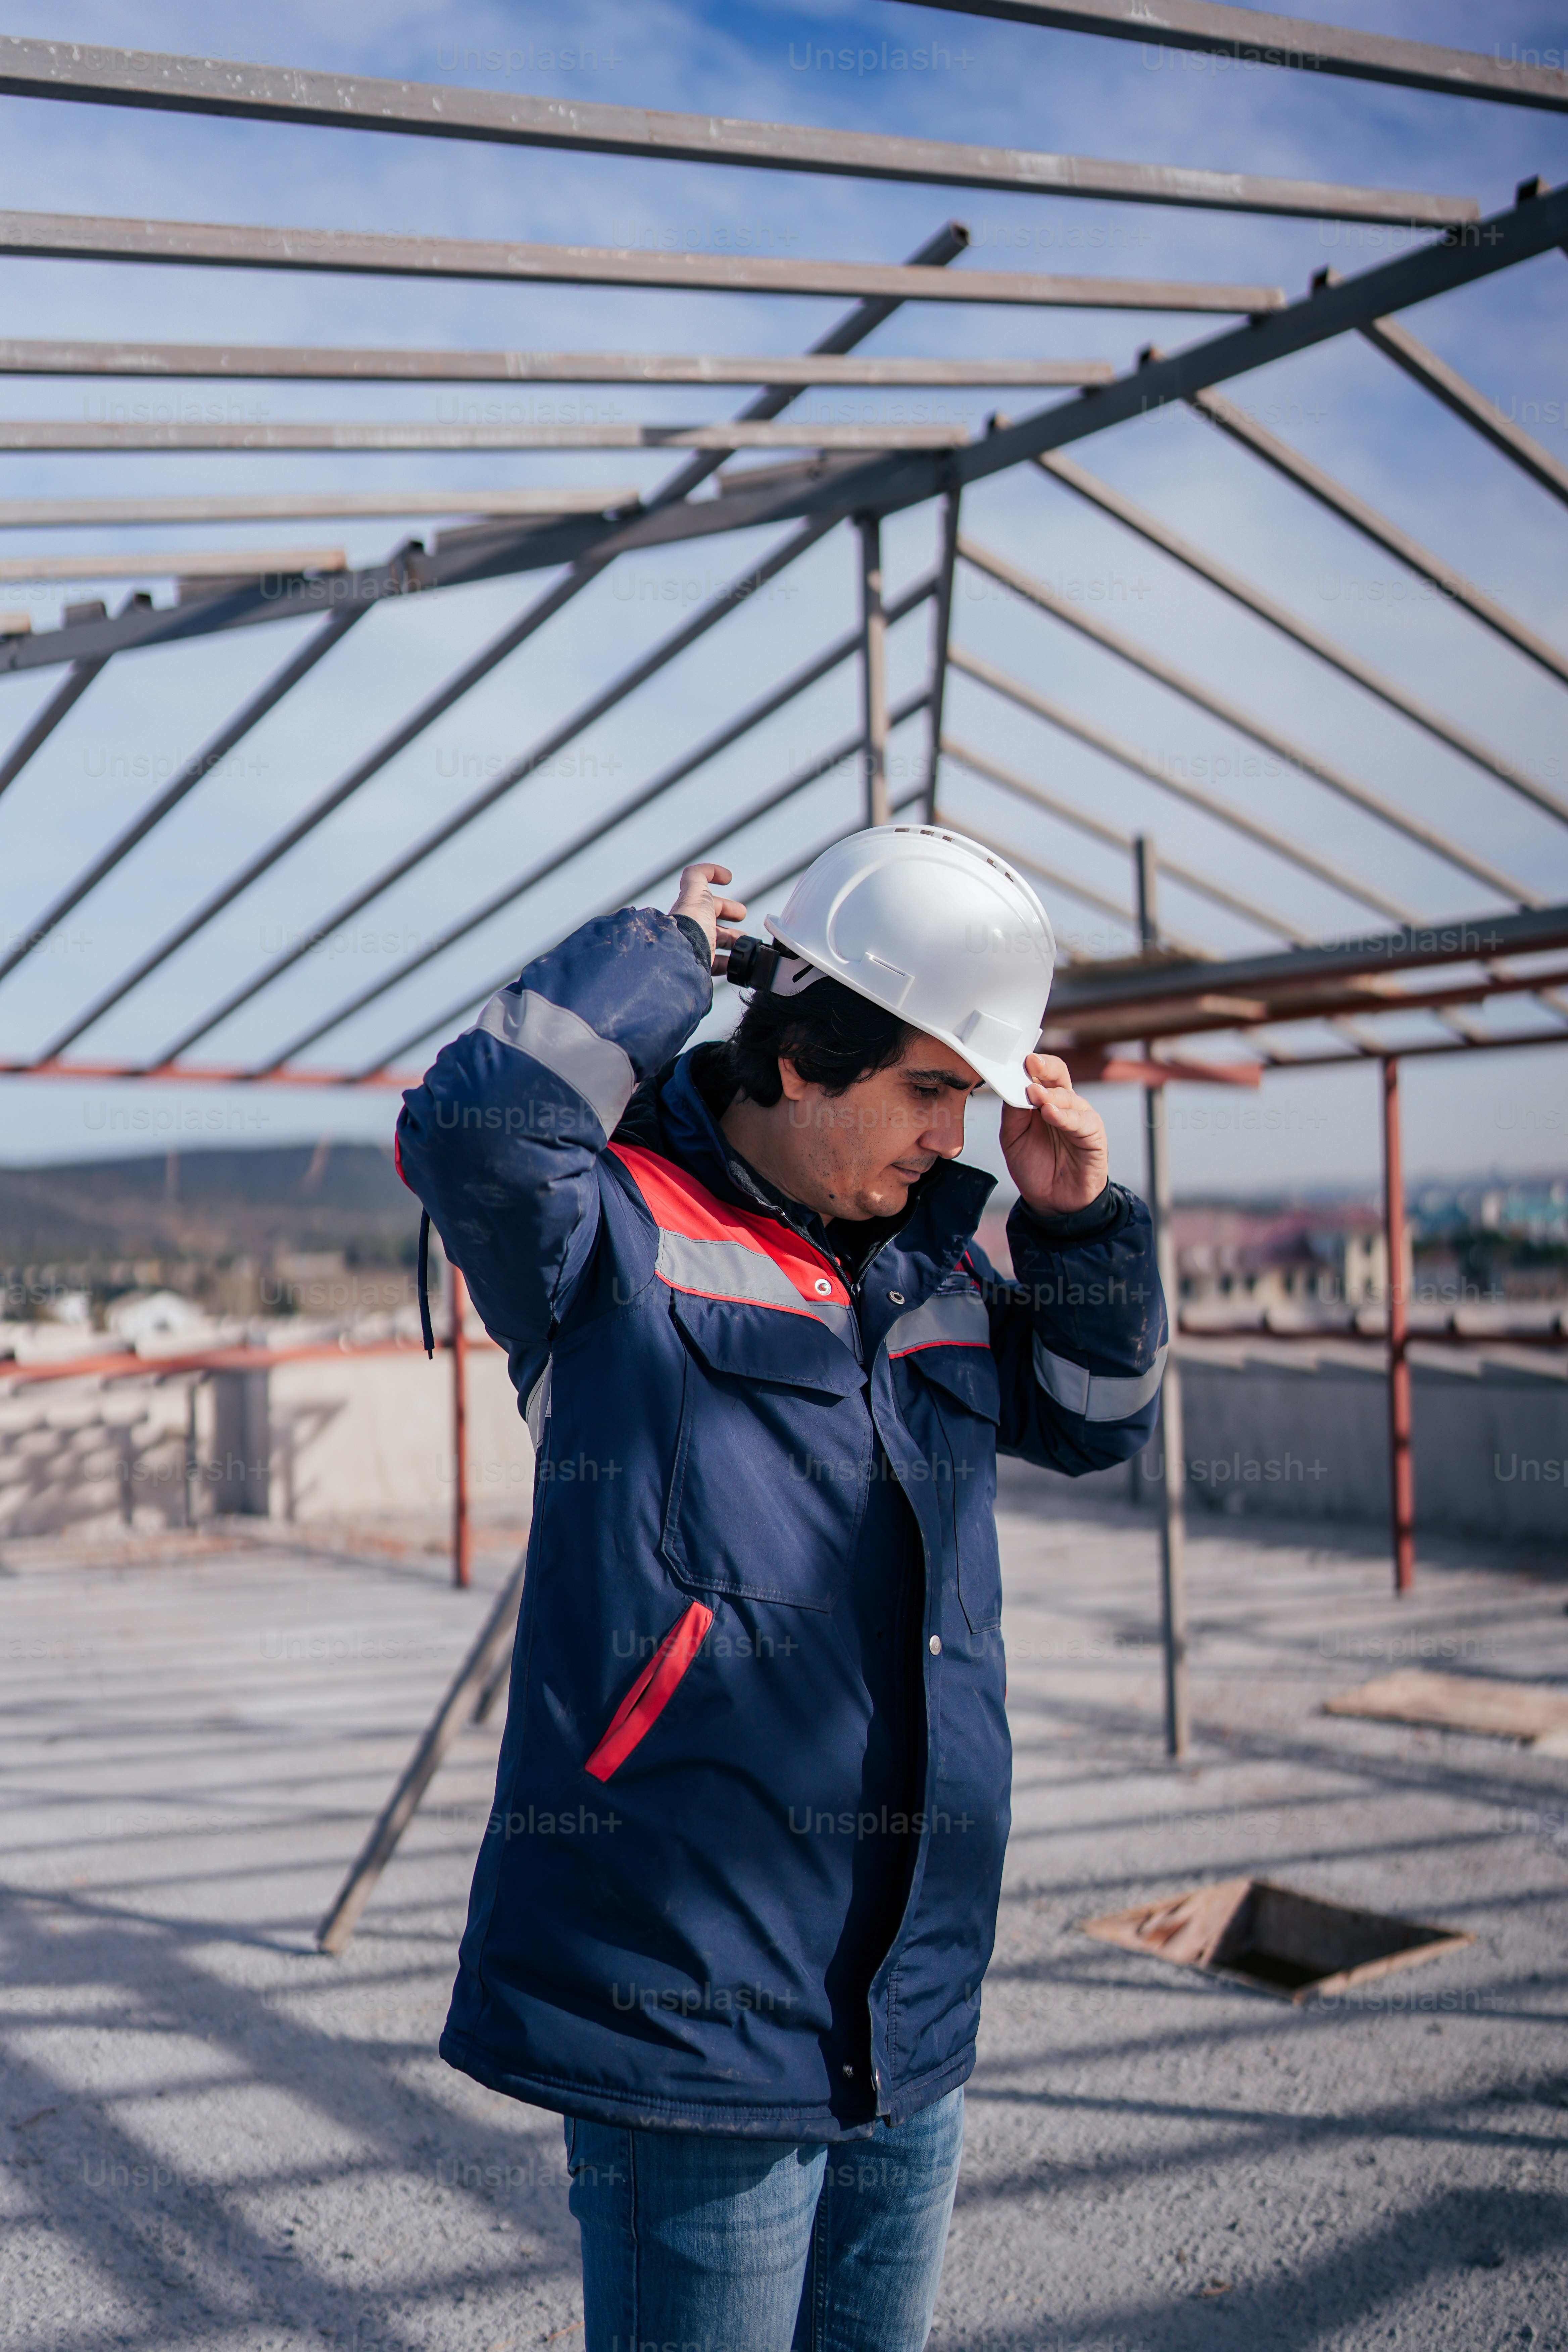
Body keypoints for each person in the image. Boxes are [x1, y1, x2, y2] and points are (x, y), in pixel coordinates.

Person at [396, 825, 1167, 2351]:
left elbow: (1097, 1417)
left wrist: (1078, 1222)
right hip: (694, 2002)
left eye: (969, 1097)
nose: (951, 1135)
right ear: (805, 1060)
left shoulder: (935, 1268)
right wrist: (664, 960)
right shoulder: (610, 1232)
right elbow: (474, 1133)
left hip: (910, 2003)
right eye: (931, 1088)